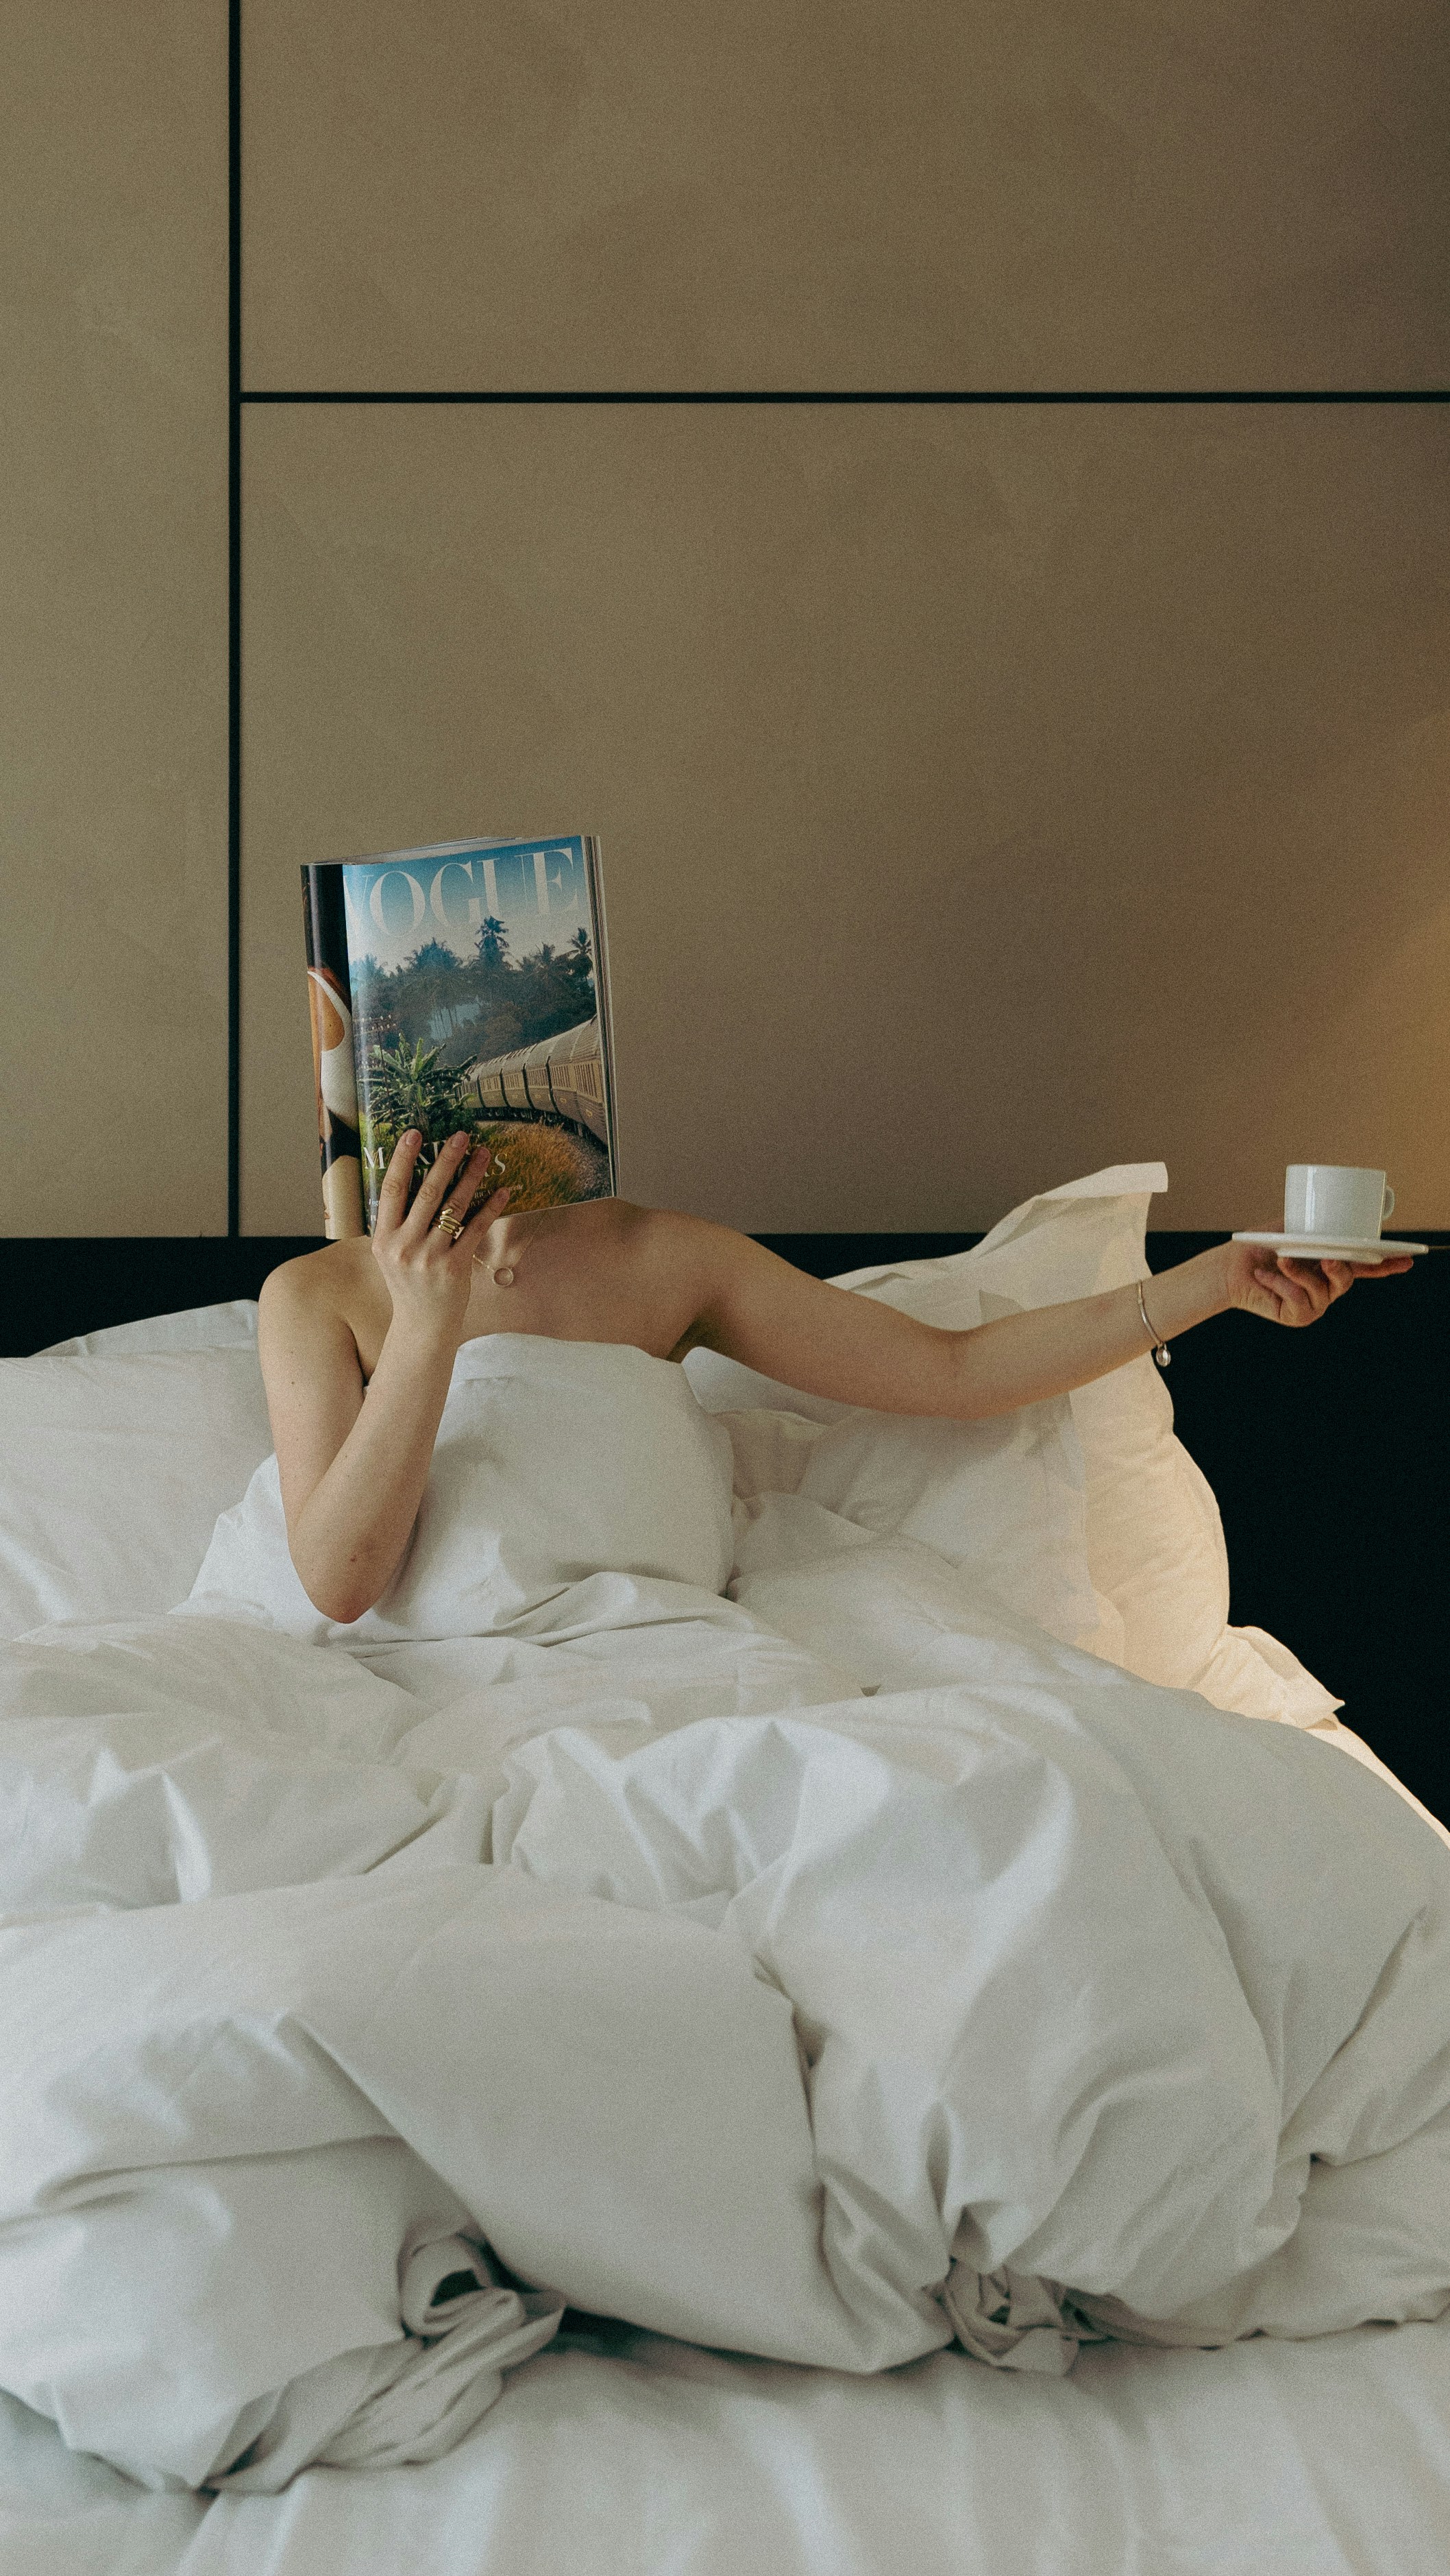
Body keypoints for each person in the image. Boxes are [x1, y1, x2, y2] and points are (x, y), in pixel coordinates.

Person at [259, 1130, 1413, 1626]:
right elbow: (341, 1584)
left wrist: (1213, 1280)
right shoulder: (314, 1298)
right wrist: (425, 1323)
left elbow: (953, 1370)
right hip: (428, 1690)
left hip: (650, 1672)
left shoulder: (663, 1259)